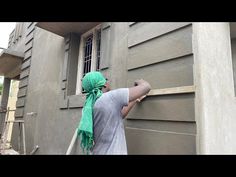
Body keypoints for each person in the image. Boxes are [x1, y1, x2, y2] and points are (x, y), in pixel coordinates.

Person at [77, 71, 151, 155]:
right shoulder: (111, 97)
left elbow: (120, 114)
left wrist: (134, 99)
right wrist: (139, 81)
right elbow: (146, 87)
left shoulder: (89, 106)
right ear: (104, 84)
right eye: (106, 80)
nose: (108, 81)